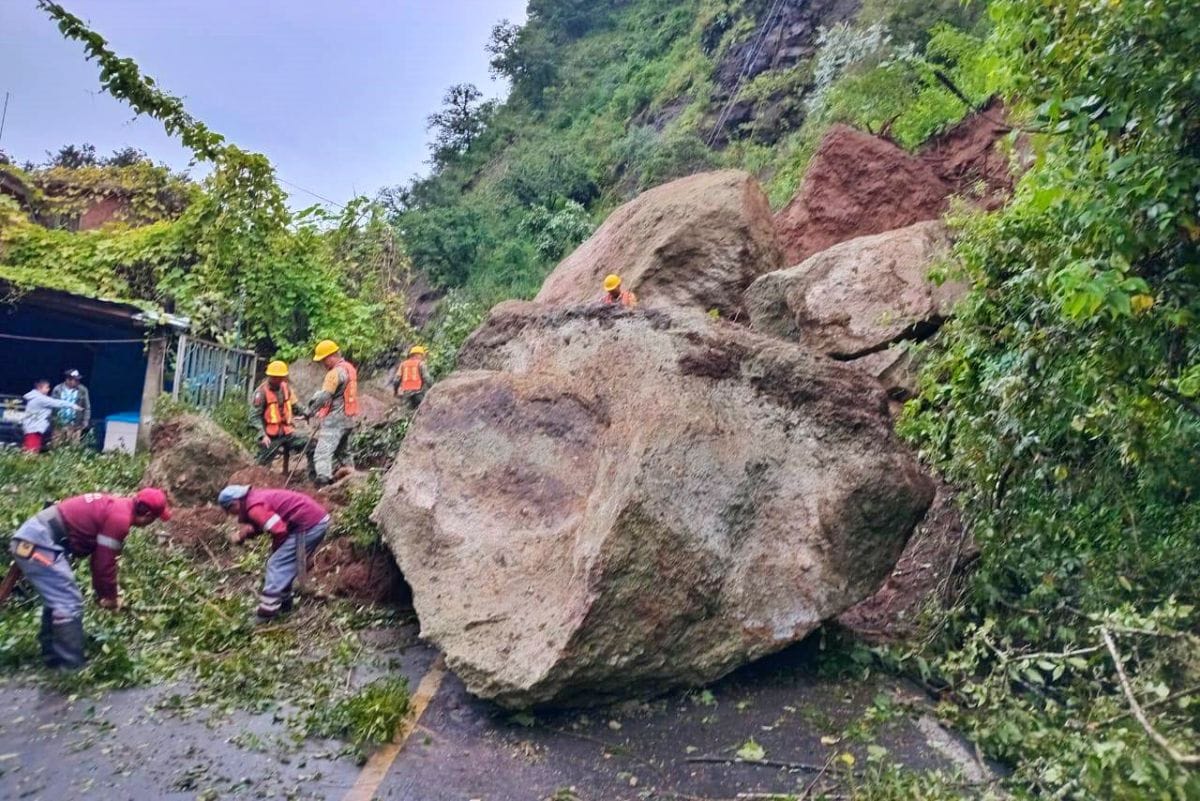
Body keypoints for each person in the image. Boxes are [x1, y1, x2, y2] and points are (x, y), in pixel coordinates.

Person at [7, 488, 171, 668]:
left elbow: (98, 562)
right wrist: (109, 597)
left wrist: (104, 594)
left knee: (58, 598)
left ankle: (52, 658)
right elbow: (104, 563)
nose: (150, 523)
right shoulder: (120, 519)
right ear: (147, 514)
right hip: (37, 542)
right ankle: (69, 667)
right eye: (154, 519)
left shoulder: (117, 507)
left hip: (39, 538)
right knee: (68, 601)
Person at [217, 485, 331, 624]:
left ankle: (267, 612)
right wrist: (243, 535)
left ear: (234, 504)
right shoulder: (253, 500)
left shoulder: (254, 507)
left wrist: (276, 550)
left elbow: (279, 530)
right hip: (312, 520)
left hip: (309, 524)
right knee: (284, 563)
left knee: (276, 563)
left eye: (231, 511)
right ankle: (285, 603)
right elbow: (262, 525)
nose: (233, 516)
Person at [305, 340, 359, 486]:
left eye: (323, 360)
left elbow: (325, 396)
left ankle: (324, 484)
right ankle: (354, 482)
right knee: (343, 453)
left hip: (335, 419)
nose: (323, 364)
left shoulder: (334, 373)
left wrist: (311, 410)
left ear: (330, 356)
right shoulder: (349, 369)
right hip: (349, 418)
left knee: (322, 452)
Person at [250, 360, 309, 474]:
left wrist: (307, 412)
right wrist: (262, 435)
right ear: (270, 376)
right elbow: (254, 417)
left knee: (311, 444)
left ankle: (312, 479)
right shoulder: (261, 392)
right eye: (275, 377)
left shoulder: (286, 388)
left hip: (288, 432)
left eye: (280, 377)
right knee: (262, 464)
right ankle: (260, 481)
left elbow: (295, 405)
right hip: (270, 436)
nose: (278, 379)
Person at [22, 380, 81, 453]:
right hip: (34, 429)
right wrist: (72, 405)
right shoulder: (40, 399)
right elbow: (57, 403)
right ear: (40, 388)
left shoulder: (34, 397)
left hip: (32, 428)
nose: (48, 389)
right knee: (31, 452)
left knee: (30, 451)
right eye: (46, 387)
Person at [51, 369, 91, 444]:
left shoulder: (82, 390)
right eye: (75, 380)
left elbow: (87, 407)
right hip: (59, 424)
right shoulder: (57, 389)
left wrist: (85, 421)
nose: (77, 382)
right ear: (68, 379)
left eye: (78, 380)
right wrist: (52, 420)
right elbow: (52, 405)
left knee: (73, 446)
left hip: (75, 424)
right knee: (56, 445)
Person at [391, 345, 433, 411]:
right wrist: (432, 388)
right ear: (418, 355)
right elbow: (427, 378)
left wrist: (395, 391)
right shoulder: (421, 364)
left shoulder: (403, 364)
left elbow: (396, 380)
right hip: (419, 392)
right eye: (422, 355)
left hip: (406, 393)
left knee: (405, 412)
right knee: (421, 411)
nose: (423, 357)